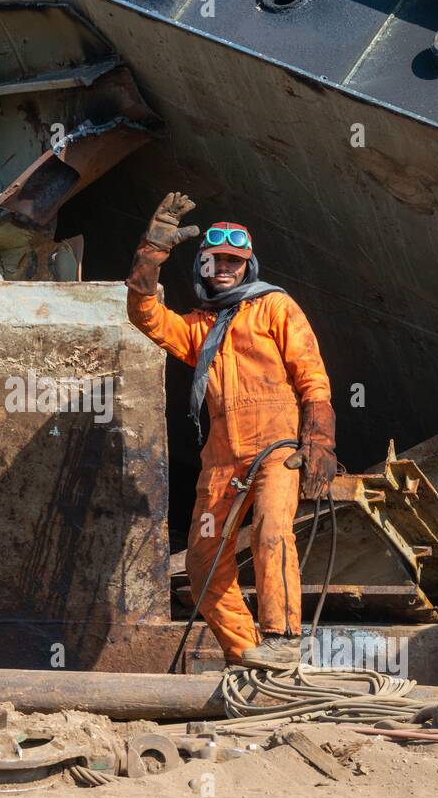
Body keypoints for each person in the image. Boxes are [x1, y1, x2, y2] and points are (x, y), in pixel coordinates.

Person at [123, 192, 337, 669]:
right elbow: (146, 317)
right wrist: (152, 249)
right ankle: (248, 656)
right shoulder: (201, 327)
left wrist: (319, 439)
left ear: (247, 266)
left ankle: (282, 637)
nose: (224, 267)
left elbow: (311, 372)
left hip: (277, 448)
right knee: (201, 563)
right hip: (222, 459)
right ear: (202, 264)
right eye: (216, 260)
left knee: (272, 530)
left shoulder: (275, 307)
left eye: (233, 261)